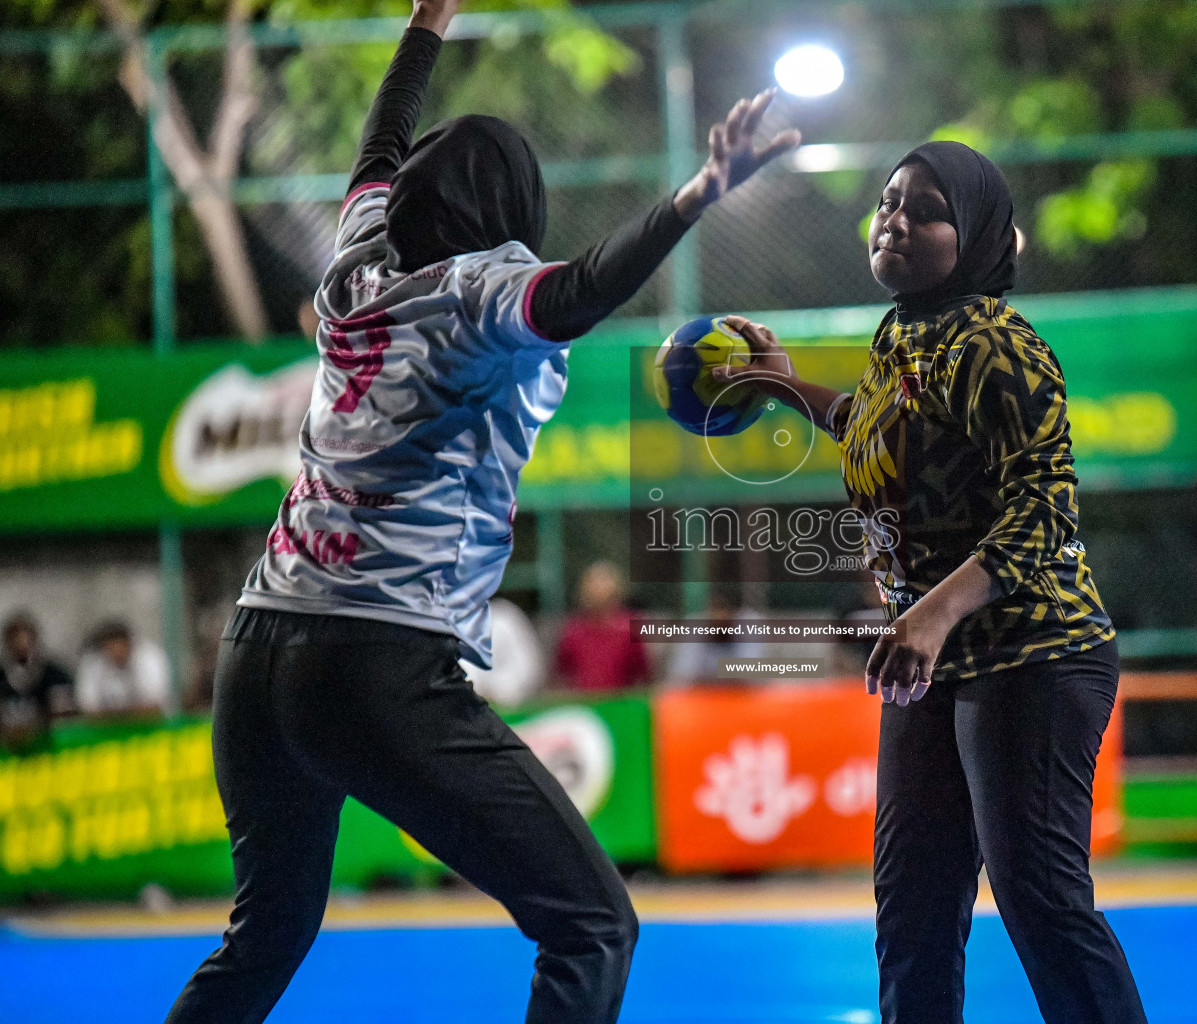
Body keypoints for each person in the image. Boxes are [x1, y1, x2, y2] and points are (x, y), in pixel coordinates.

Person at [162, 1, 798, 1021]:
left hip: (259, 649)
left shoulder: (357, 256)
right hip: (373, 663)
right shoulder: (483, 290)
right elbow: (580, 290)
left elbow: (380, 141)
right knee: (593, 923)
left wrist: (427, 22)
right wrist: (699, 192)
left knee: (268, 930)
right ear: (511, 212)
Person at [713, 141, 1146, 1024]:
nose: (894, 220)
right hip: (935, 663)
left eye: (926, 208)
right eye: (887, 202)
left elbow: (1046, 507)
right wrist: (785, 384)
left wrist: (931, 615)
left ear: (977, 234)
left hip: (1035, 655)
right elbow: (880, 428)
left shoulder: (995, 341)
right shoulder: (907, 330)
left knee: (1042, 904)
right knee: (910, 913)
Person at [553, 561, 650, 692]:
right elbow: (562, 673)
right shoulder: (572, 632)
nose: (598, 592)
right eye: (593, 584)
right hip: (583, 704)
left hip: (621, 704)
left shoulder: (629, 629)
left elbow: (642, 674)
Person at [0, 612, 75, 754]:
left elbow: (67, 716)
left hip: (50, 752)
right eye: (15, 641)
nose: (22, 648)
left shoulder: (55, 675)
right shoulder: (3, 677)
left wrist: (35, 727)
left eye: (26, 641)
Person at [75, 620, 173, 719]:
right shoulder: (93, 662)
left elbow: (155, 704)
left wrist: (119, 714)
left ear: (129, 643)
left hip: (152, 725)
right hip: (107, 728)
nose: (117, 653)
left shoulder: (150, 657)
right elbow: (87, 707)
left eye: (120, 646)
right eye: (111, 648)